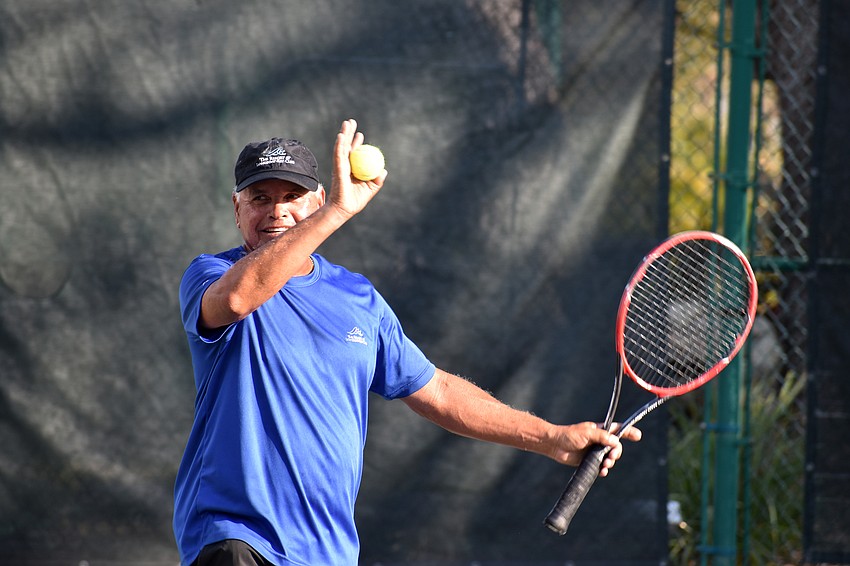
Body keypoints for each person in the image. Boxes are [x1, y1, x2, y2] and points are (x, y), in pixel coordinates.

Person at [173, 119, 641, 566]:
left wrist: (552, 438)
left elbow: (435, 391)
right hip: (236, 539)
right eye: (261, 198)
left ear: (313, 201)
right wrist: (338, 211)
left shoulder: (357, 297)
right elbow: (237, 300)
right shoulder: (211, 274)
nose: (277, 210)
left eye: (292, 196)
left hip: (327, 549)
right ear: (238, 209)